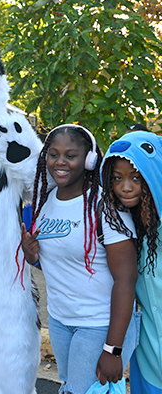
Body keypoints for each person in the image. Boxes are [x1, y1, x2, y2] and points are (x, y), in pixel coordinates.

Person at [21, 124, 139, 394]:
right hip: (61, 320)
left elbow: (126, 278)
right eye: (53, 154)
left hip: (99, 323)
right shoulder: (46, 201)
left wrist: (113, 348)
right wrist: (33, 256)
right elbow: (62, 259)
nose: (60, 162)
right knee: (73, 387)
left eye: (70, 155)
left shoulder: (105, 206)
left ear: (88, 160)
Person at [101, 130, 162, 393]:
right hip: (148, 351)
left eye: (136, 177)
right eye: (117, 178)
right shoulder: (123, 229)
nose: (126, 187)